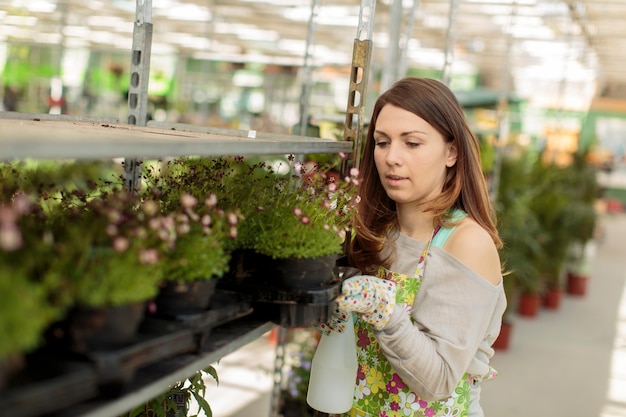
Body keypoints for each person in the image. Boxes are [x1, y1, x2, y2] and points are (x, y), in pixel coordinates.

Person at [316, 77, 507, 417]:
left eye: (412, 143)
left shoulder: (466, 243)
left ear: (451, 152)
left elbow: (438, 381)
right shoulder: (378, 232)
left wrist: (385, 313)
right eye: (382, 142)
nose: (392, 158)